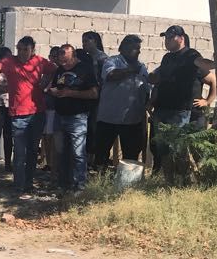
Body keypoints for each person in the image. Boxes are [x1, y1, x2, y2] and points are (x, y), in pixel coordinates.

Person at [0, 36, 53, 196]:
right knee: (20, 152)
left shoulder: (39, 62)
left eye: (25, 50)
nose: (21, 53)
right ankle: (19, 185)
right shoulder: (10, 62)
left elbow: (53, 70)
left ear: (32, 50)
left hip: (37, 113)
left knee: (32, 151)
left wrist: (44, 83)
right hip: (18, 114)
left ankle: (28, 184)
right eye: (19, 49)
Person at [148, 25, 215, 170]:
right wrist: (152, 100)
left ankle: (177, 176)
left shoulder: (190, 55)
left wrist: (207, 101)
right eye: (165, 38)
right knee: (159, 147)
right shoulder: (167, 58)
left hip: (179, 111)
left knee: (175, 148)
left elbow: (207, 68)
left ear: (181, 39)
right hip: (162, 108)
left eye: (170, 37)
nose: (167, 41)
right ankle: (161, 175)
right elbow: (160, 81)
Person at [44, 44, 99, 192]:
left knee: (78, 153)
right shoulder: (60, 70)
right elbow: (55, 87)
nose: (61, 58)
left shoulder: (85, 70)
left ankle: (79, 186)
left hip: (77, 117)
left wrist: (70, 93)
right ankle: (64, 184)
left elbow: (94, 93)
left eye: (64, 54)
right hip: (59, 115)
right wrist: (53, 91)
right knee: (61, 153)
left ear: (73, 55)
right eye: (59, 55)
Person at [92, 34, 150, 172]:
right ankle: (99, 180)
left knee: (131, 157)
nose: (139, 51)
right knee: (101, 154)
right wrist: (130, 70)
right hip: (109, 119)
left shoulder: (141, 67)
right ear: (123, 48)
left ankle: (126, 183)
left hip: (132, 120)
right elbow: (110, 75)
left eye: (139, 48)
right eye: (135, 48)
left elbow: (147, 88)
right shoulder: (112, 61)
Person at [80, 31, 108, 161]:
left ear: (95, 42)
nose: (84, 44)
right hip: (86, 97)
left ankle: (94, 157)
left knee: (94, 127)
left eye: (87, 41)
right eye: (83, 41)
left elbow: (104, 79)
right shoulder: (84, 57)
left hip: (98, 98)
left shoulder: (102, 58)